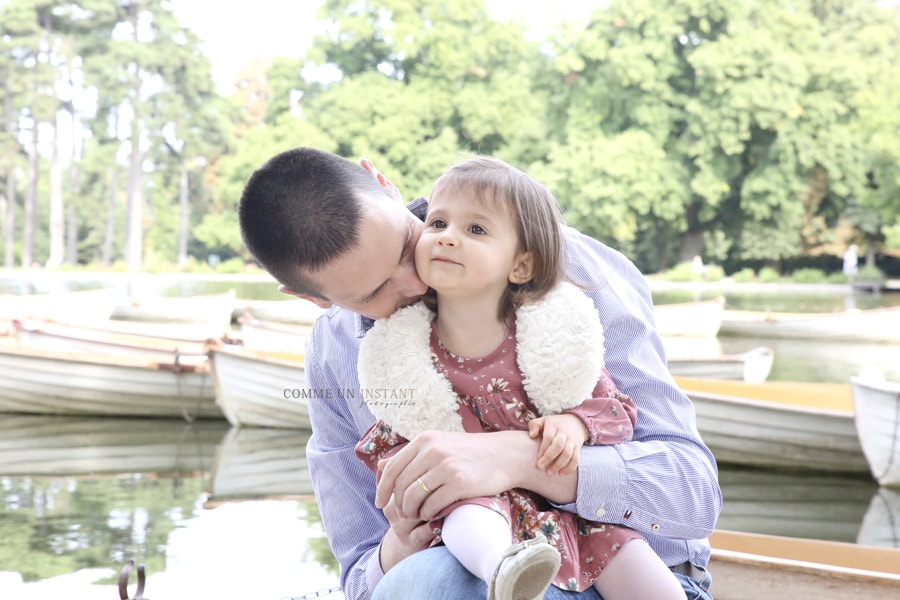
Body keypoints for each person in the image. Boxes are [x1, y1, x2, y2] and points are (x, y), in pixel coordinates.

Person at [237, 147, 721, 600]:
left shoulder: (555, 264)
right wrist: (400, 542)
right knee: (432, 577)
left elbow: (694, 495)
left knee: (440, 581)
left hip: (631, 580)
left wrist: (522, 459)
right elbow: (363, 582)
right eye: (376, 291)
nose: (417, 278)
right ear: (314, 299)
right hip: (452, 574)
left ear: (382, 183)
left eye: (409, 242)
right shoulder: (333, 352)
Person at [353, 156, 685, 600]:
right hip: (476, 506)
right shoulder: (407, 349)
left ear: (521, 266)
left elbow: (611, 407)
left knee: (650, 580)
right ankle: (504, 570)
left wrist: (575, 425)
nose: (447, 237)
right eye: (436, 223)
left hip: (572, 516)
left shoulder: (550, 335)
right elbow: (399, 434)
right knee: (466, 519)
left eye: (475, 230)